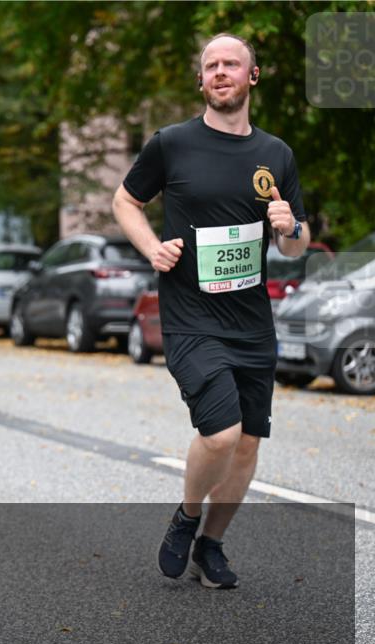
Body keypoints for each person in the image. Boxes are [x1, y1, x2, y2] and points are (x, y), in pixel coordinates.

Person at [112, 34, 310, 590]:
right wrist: (151, 248)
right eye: (211, 65)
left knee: (247, 444)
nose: (221, 72)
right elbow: (125, 200)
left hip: (252, 322)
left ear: (252, 76)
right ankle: (187, 515)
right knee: (222, 434)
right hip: (191, 318)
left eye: (232, 64)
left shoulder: (276, 155)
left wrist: (290, 226)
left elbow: (296, 242)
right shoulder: (172, 143)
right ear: (201, 81)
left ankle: (211, 545)